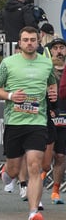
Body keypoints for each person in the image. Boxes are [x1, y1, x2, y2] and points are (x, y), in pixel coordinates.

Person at [0, 26, 57, 220]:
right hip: (14, 122)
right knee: (13, 168)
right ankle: (7, 174)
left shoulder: (47, 64)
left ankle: (33, 214)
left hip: (37, 122)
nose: (29, 43)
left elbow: (52, 83)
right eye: (25, 40)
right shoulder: (8, 63)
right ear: (19, 43)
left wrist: (52, 93)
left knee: (35, 167)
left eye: (33, 40)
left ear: (38, 42)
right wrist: (11, 96)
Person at [47, 37, 66, 204]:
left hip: (65, 120)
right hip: (48, 119)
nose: (59, 51)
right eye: (56, 48)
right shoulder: (45, 70)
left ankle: (55, 191)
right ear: (51, 51)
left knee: (60, 156)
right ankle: (33, 187)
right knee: (47, 157)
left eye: (62, 47)